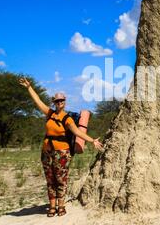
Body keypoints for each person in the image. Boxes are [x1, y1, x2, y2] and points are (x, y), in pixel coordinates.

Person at [19, 77, 103, 217]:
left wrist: (92, 140)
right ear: (54, 103)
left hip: (62, 153)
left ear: (65, 102)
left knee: (61, 179)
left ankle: (61, 206)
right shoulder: (49, 113)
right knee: (50, 179)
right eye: (57, 101)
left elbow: (77, 132)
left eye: (62, 100)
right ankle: (52, 206)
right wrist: (29, 87)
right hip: (46, 152)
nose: (59, 103)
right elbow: (37, 101)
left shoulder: (67, 118)